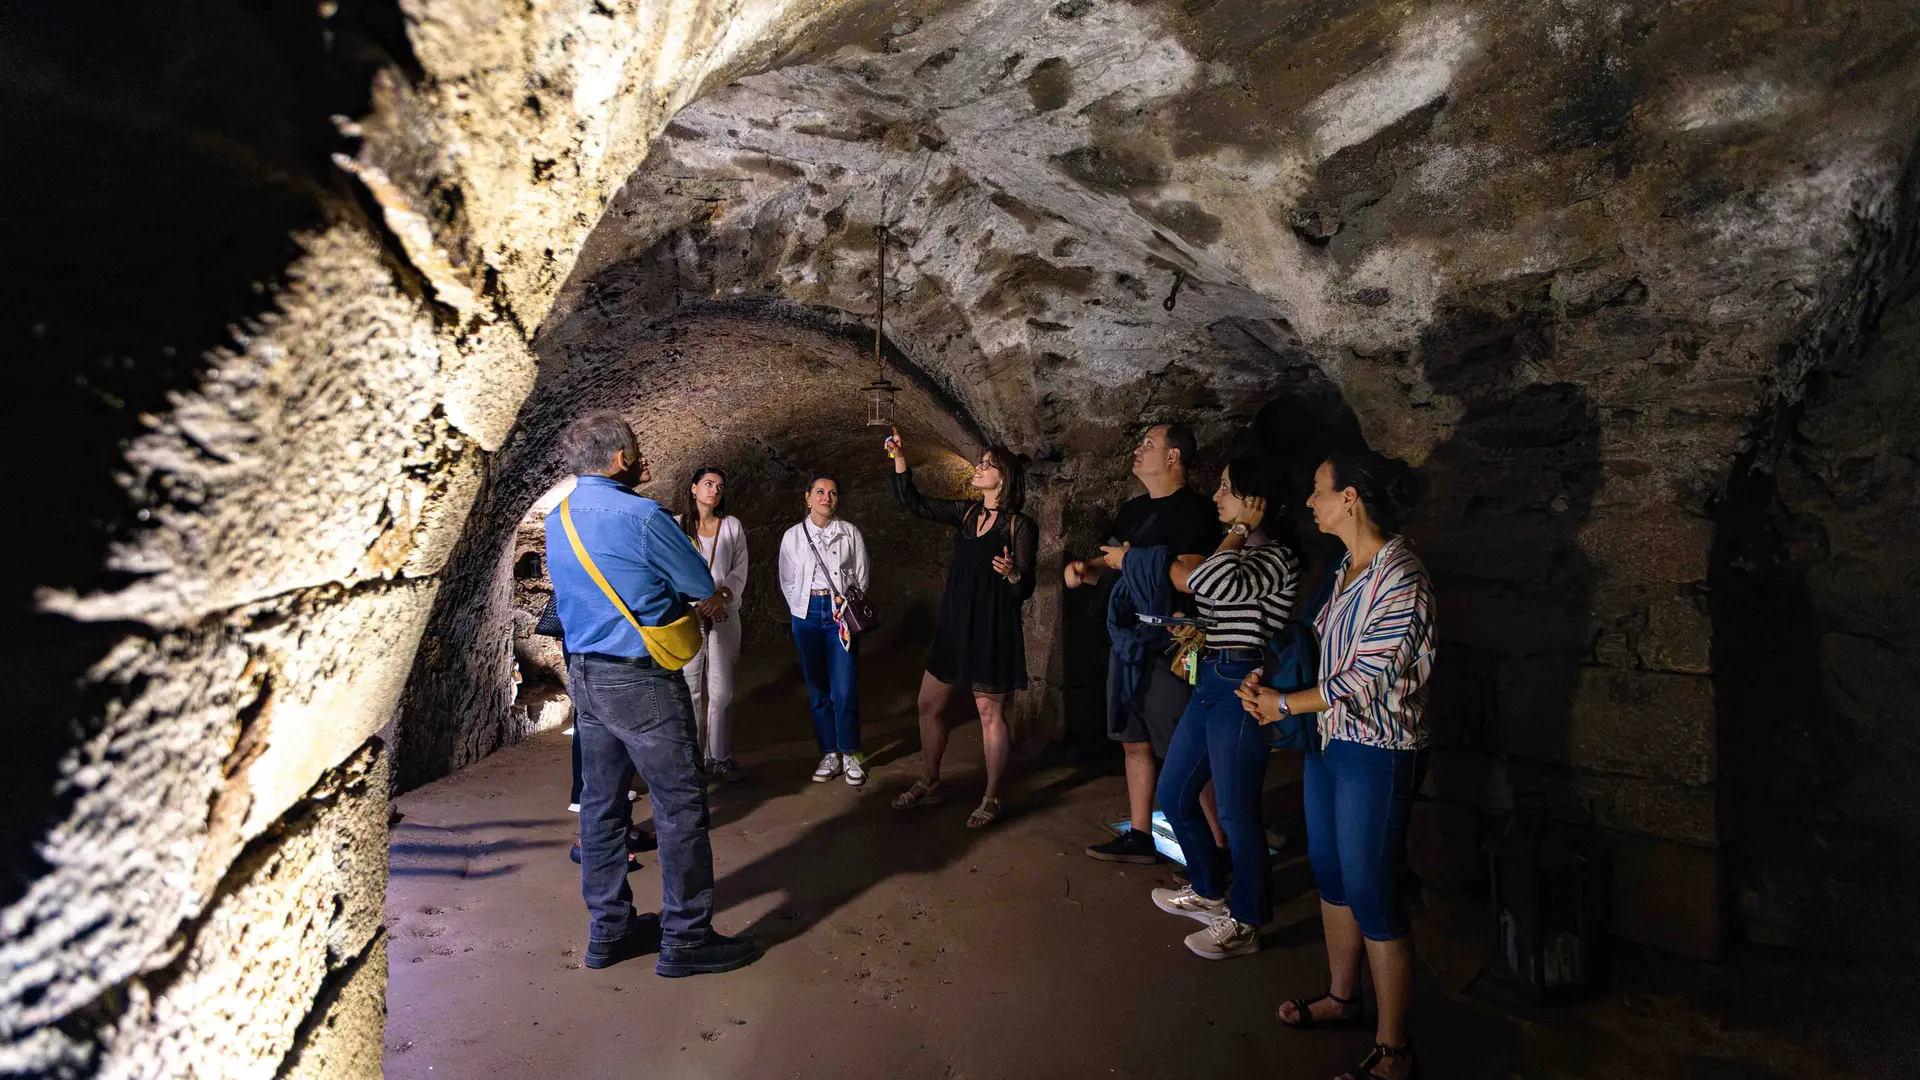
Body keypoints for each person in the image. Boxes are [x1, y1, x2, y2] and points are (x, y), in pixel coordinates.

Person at [1237, 450, 1434, 1080]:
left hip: (1377, 750)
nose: (1310, 503)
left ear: (1350, 498)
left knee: (1373, 890)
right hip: (1329, 742)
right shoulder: (1343, 568)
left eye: (1320, 491)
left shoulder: (1399, 575)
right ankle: (1343, 997)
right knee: (1331, 872)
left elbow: (1369, 675)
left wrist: (1284, 705)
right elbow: (1317, 647)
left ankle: (1395, 1049)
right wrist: (1270, 679)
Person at [544, 410, 759, 977]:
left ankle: (609, 929)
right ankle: (687, 937)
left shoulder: (557, 516)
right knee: (680, 802)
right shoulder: (643, 516)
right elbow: (697, 582)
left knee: (601, 803)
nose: (642, 459)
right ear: (622, 460)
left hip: (585, 674)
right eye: (637, 451)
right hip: (640, 676)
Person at [1142, 455, 1300, 960]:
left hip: (1241, 681)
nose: (1217, 496)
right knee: (1174, 790)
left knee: (1235, 811)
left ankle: (1248, 921)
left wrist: (1236, 530)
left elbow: (1205, 582)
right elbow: (1208, 592)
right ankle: (1210, 891)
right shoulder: (1237, 554)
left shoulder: (1277, 557)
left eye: (1228, 489)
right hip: (1211, 676)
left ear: (1255, 504)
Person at [1066, 424, 1227, 865]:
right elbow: (1115, 564)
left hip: (1171, 645)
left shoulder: (1197, 512)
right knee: (1132, 739)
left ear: (1173, 456)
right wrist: (1087, 570)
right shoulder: (1132, 510)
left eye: (1148, 445)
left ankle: (1218, 844)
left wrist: (1130, 560)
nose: (1137, 450)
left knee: (1185, 747)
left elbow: (1191, 575)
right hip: (1129, 641)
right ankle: (1140, 834)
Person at [883, 429, 1038, 829]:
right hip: (955, 623)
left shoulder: (1020, 526)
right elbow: (914, 502)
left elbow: (1025, 587)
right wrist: (901, 457)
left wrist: (1012, 574)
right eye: (980, 462)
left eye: (986, 464)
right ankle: (929, 779)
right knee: (927, 704)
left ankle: (992, 797)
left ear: (1002, 477)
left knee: (990, 713)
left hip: (991, 627)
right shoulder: (967, 513)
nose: (978, 467)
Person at [777, 474, 871, 785]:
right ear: (807, 498)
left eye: (832, 493)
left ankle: (850, 752)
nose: (825, 498)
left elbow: (860, 575)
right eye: (819, 492)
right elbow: (787, 579)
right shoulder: (793, 536)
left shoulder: (849, 533)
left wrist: (843, 606)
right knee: (817, 689)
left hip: (840, 615)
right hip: (807, 615)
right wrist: (801, 608)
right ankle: (829, 752)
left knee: (844, 689)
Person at [677, 466, 749, 782]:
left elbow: (740, 568)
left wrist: (721, 596)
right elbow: (672, 572)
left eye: (720, 486)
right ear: (694, 488)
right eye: (708, 484)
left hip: (724, 614)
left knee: (722, 691)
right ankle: (693, 760)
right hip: (690, 617)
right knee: (690, 688)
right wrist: (697, 603)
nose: (714, 490)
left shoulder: (731, 526)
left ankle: (719, 755)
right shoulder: (678, 527)